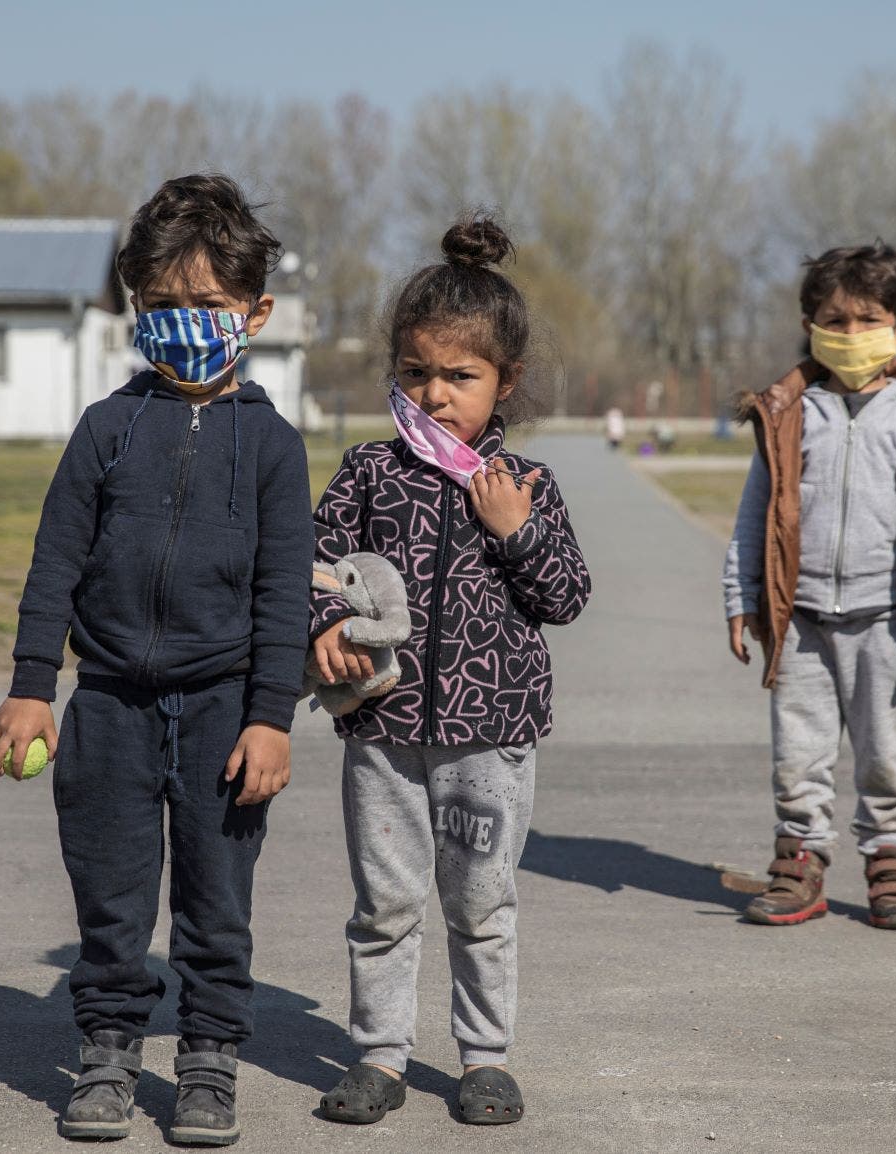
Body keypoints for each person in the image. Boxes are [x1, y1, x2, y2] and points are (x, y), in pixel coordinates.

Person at [0, 173, 313, 1146]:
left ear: (255, 312)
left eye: (207, 306)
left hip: (222, 712)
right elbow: (55, 563)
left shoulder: (273, 447)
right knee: (111, 895)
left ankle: (209, 1056)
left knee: (217, 900)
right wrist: (33, 685)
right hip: (109, 710)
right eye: (162, 306)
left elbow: (285, 596)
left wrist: (271, 716)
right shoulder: (106, 429)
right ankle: (110, 1049)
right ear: (135, 308)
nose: (184, 324)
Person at [307, 217, 591, 1128]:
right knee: (385, 904)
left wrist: (517, 531)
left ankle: (482, 1059)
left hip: (490, 739)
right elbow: (307, 565)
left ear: (504, 382)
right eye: (416, 371)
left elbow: (566, 596)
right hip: (383, 734)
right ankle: (380, 1057)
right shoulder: (364, 474)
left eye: (459, 376)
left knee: (481, 904)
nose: (434, 395)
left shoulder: (524, 484)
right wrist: (321, 626)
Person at [721, 241, 896, 932]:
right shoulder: (787, 413)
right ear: (809, 325)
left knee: (884, 753)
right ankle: (798, 863)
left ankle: (891, 865)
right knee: (797, 754)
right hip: (799, 620)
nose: (851, 335)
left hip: (885, 618)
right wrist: (740, 596)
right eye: (836, 320)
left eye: (867, 320)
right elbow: (753, 514)